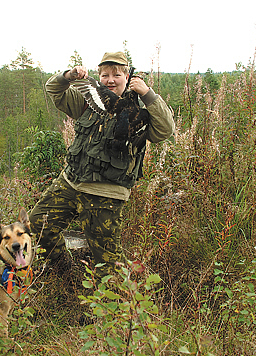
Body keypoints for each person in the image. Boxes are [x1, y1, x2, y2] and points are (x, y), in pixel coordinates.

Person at [29, 51, 175, 277]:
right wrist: (69, 75)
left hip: (106, 193)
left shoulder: (140, 113)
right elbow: (54, 89)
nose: (110, 80)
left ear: (127, 77)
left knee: (106, 261)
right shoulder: (89, 102)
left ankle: (110, 310)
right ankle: (66, 274)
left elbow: (165, 129)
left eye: (117, 74)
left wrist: (147, 93)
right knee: (38, 224)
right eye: (105, 74)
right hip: (70, 182)